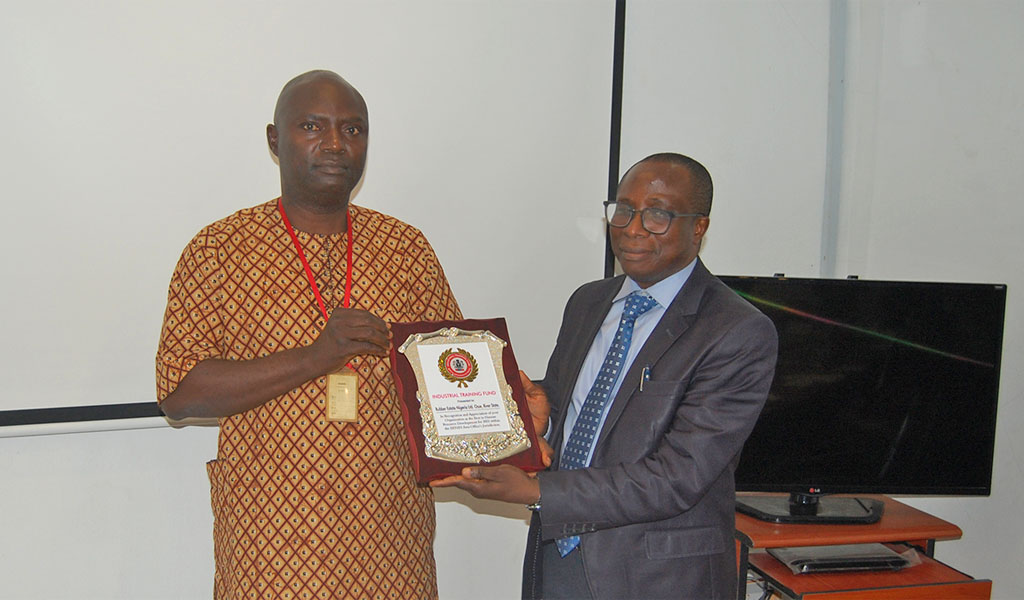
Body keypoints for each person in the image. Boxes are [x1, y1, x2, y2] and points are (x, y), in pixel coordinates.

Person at [156, 70, 461, 600]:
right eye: (312, 126)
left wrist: (511, 413)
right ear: (275, 140)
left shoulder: (405, 248)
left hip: (391, 543)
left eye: (353, 129)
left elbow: (453, 379)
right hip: (272, 548)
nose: (336, 144)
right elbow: (179, 393)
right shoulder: (219, 250)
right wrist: (315, 357)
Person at [433, 153, 778, 600]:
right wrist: (542, 420)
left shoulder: (736, 331)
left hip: (658, 578)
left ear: (699, 227)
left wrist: (538, 491)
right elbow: (574, 410)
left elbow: (678, 476)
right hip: (558, 555)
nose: (632, 228)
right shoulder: (589, 302)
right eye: (623, 210)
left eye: (657, 215)